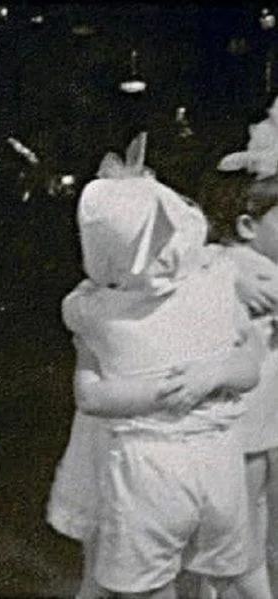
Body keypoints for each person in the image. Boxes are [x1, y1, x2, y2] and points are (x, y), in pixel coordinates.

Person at [59, 147, 267, 598]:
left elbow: (91, 397)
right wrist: (206, 378)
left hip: (147, 468)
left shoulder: (92, 310)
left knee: (146, 584)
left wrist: (161, 388)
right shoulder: (215, 283)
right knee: (227, 572)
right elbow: (248, 369)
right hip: (219, 459)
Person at [196, 164, 278, 599]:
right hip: (245, 425)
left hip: (255, 422)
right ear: (247, 226)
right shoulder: (251, 269)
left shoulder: (224, 263)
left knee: (246, 523)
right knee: (242, 531)